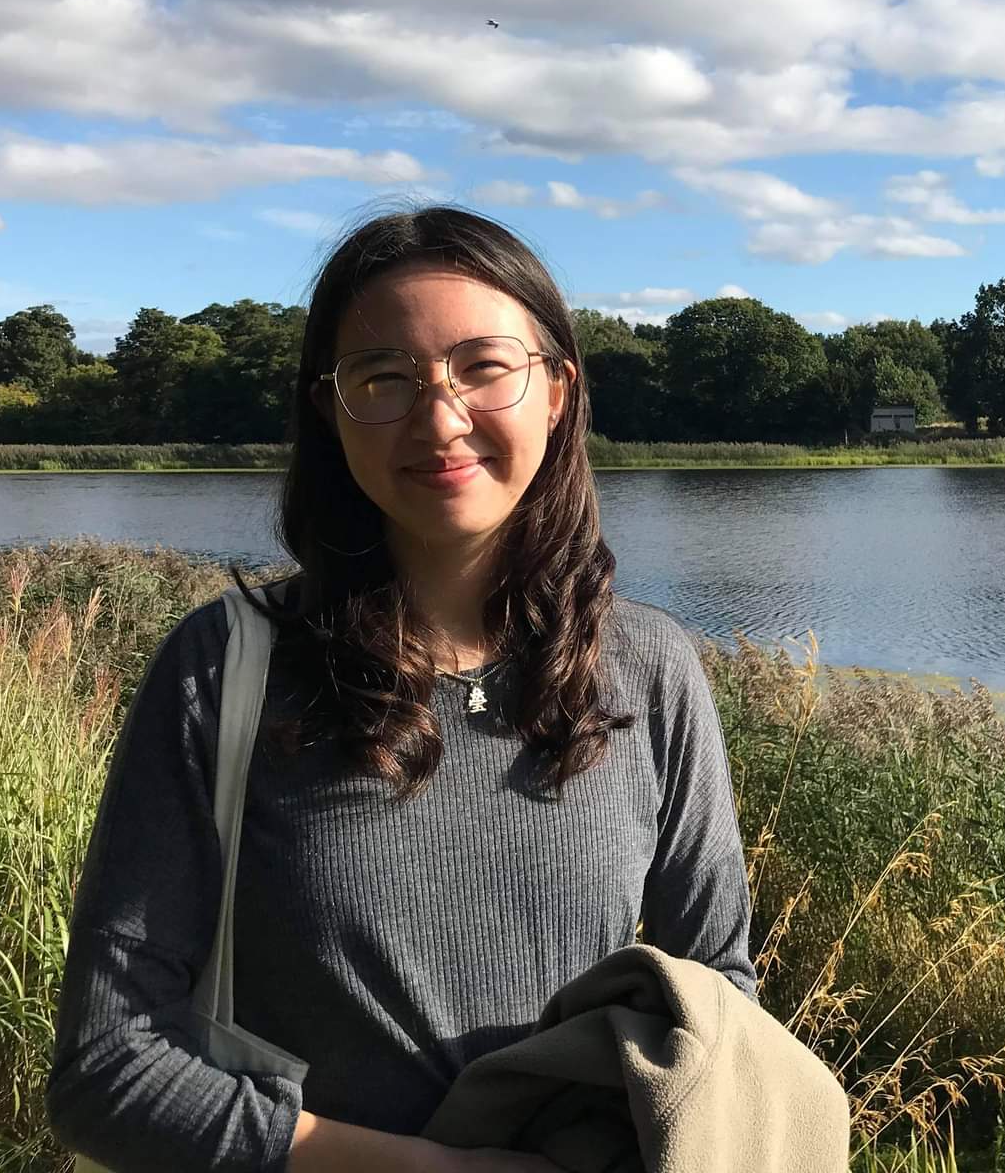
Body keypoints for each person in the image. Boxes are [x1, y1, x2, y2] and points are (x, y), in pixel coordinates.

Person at [48, 205, 757, 1173]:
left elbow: (716, 1007)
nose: (438, 417)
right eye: (383, 377)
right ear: (328, 410)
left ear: (556, 391)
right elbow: (105, 1065)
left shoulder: (651, 670)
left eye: (482, 366)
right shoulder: (226, 670)